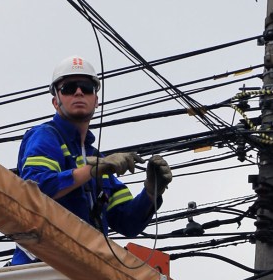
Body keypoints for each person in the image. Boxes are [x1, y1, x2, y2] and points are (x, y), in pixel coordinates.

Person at [11, 56, 172, 265]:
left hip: (85, 272)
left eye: (86, 87)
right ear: (55, 101)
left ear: (96, 100)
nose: (79, 92)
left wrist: (151, 192)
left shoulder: (97, 158)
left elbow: (126, 222)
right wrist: (91, 171)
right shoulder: (46, 137)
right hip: (43, 268)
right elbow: (34, 190)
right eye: (69, 87)